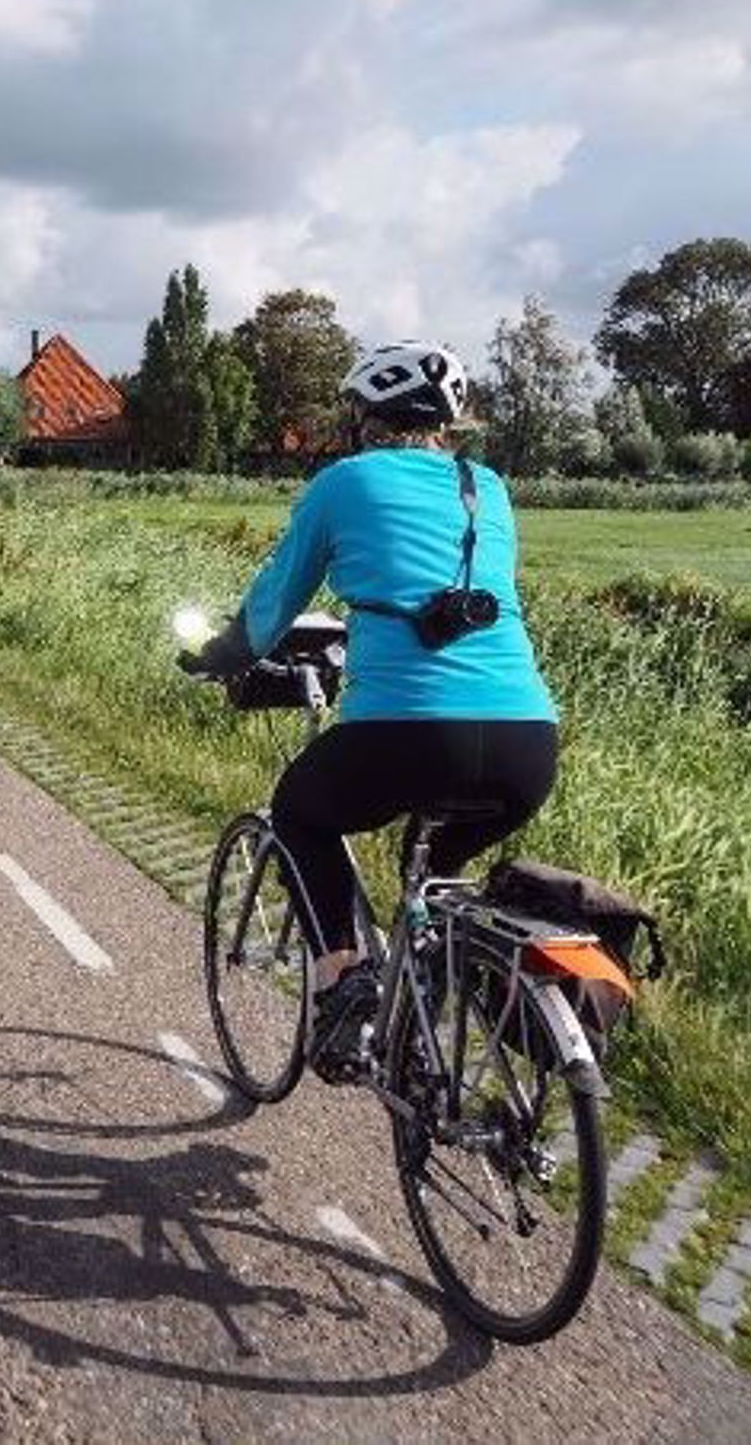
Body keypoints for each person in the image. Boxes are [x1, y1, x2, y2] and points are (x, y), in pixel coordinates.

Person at [184, 341, 558, 1080]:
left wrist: (227, 652)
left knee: (301, 812)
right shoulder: (487, 488)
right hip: (526, 743)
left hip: (404, 731)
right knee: (436, 883)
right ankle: (421, 1030)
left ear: (365, 419)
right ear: (448, 422)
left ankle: (342, 980)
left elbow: (276, 599)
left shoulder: (344, 483)